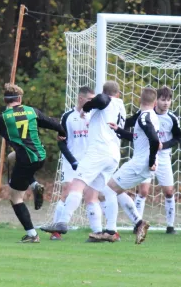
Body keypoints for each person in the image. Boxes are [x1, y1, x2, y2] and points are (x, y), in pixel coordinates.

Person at [0, 83, 67, 242]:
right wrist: (61, 133)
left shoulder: (2, 119)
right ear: (20, 98)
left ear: (5, 100)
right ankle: (34, 184)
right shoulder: (32, 111)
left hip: (26, 161)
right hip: (40, 156)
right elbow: (55, 124)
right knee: (12, 157)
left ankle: (32, 235)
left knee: (15, 197)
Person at [41, 80, 127, 241]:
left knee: (77, 185)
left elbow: (102, 99)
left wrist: (87, 107)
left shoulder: (106, 101)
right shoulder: (120, 106)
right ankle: (105, 232)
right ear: (119, 93)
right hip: (113, 155)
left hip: (99, 152)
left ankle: (62, 223)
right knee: (95, 194)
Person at [89, 87, 159, 244]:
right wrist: (119, 130)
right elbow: (138, 137)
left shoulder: (144, 118)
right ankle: (139, 223)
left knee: (106, 190)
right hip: (142, 165)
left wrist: (151, 160)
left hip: (139, 164)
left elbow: (154, 140)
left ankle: (110, 231)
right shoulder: (150, 116)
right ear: (155, 103)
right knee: (116, 191)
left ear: (140, 100)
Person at [117, 86, 181, 234]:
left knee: (169, 191)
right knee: (144, 191)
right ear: (156, 101)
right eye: (163, 99)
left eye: (169, 100)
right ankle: (137, 224)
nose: (166, 103)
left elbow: (178, 138)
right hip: (146, 156)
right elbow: (129, 122)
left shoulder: (172, 118)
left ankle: (170, 226)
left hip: (164, 157)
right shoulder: (145, 114)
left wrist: (163, 145)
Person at [48, 86, 95, 240]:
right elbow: (61, 142)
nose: (92, 102)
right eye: (89, 99)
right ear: (81, 99)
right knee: (67, 191)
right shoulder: (68, 116)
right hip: (71, 162)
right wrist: (73, 161)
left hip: (90, 162)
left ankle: (103, 230)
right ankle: (56, 229)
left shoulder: (94, 115)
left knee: (94, 195)